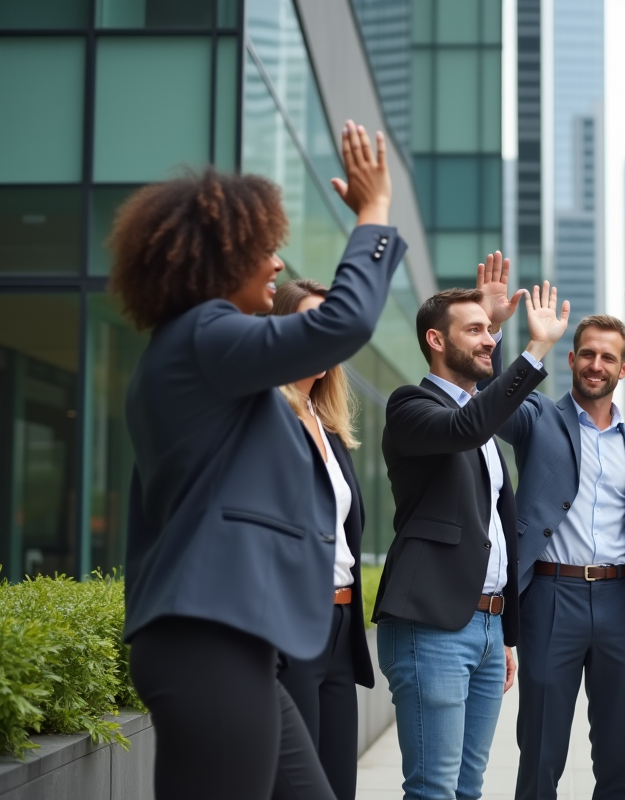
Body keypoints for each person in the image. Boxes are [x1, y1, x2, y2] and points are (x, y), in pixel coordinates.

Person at [114, 122, 402, 800]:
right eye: (266, 250)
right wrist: (374, 213)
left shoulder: (195, 354)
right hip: (207, 641)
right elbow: (342, 326)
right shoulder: (203, 338)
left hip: (234, 644)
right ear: (220, 260)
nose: (278, 265)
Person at [372, 268, 570, 800]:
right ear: (436, 341)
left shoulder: (479, 422)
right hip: (430, 625)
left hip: (485, 627)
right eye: (475, 331)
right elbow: (467, 427)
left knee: (467, 789)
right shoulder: (412, 407)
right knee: (433, 789)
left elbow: (495, 529)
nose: (489, 340)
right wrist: (532, 350)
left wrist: (503, 634)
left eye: (492, 331)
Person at [479, 257, 625, 800]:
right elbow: (495, 402)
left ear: (624, 369)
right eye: (587, 354)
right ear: (570, 359)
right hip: (549, 599)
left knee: (619, 755)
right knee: (540, 750)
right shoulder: (537, 417)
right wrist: (494, 330)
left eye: (609, 357)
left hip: (619, 602)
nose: (595, 364)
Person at [269, 278, 375, 800]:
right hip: (290, 631)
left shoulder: (326, 423)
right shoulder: (267, 414)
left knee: (340, 785)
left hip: (338, 626)